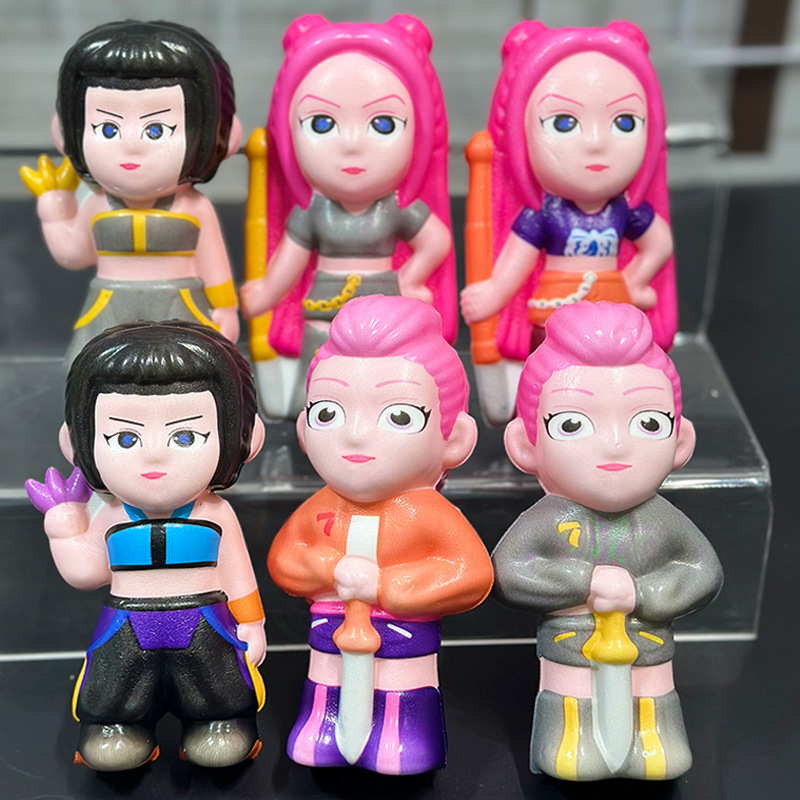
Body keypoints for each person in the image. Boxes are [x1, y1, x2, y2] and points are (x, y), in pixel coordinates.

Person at [492, 301, 722, 781]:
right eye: (572, 424)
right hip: (571, 643)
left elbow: (703, 571)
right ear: (526, 446)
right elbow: (508, 573)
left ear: (680, 443)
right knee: (569, 696)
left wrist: (643, 593)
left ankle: (656, 743)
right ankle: (566, 745)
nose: (615, 444)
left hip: (647, 641)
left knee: (653, 692)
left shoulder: (663, 521)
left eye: (648, 423)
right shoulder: (549, 520)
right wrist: (583, 582)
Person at [268, 295, 493, 774]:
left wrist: (390, 586)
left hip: (402, 631)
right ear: (304, 430)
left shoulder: (427, 512)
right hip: (331, 628)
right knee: (325, 679)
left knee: (400, 685)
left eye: (399, 416)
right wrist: (325, 567)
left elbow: (471, 575)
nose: (355, 435)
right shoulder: (321, 506)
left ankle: (404, 736)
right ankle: (323, 728)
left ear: (454, 439)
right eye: (328, 413)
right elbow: (285, 559)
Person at [26, 322, 266, 770]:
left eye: (185, 436)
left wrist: (252, 623)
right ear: (76, 443)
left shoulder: (215, 513)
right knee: (114, 685)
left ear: (243, 439)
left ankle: (221, 722)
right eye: (125, 438)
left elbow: (238, 574)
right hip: (127, 622)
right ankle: (115, 725)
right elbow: (86, 572)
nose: (154, 455)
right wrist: (64, 525)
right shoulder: (111, 514)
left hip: (204, 619)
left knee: (218, 685)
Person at [239, 15, 455, 418]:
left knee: (388, 374)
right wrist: (266, 294)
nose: (352, 145)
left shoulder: (396, 206)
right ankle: (314, 415)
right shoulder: (314, 211)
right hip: (324, 307)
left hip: (386, 307)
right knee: (319, 371)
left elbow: (436, 241)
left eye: (383, 124)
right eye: (322, 124)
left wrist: (409, 280)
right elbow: (290, 262)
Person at [460, 22, 676, 425]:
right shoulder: (545, 213)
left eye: (624, 123)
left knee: (614, 367)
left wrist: (634, 280)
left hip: (614, 305)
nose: (596, 142)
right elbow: (517, 261)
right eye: (564, 123)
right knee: (553, 366)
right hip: (554, 308)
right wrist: (494, 294)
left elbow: (659, 243)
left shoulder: (624, 210)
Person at [20, 21, 242, 365]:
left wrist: (226, 308)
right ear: (68, 132)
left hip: (180, 302)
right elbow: (73, 254)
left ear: (215, 135)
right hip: (110, 305)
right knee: (93, 367)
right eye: (108, 128)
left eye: (157, 130)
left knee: (185, 367)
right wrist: (54, 209)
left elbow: (215, 265)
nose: (131, 145)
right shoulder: (97, 204)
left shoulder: (194, 207)